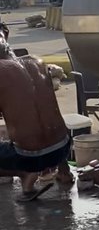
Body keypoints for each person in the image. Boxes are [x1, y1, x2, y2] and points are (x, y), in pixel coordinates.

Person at [0, 33, 73, 200]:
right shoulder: (37, 61)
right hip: (62, 149)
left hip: (30, 157)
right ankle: (65, 172)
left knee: (24, 142)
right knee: (50, 123)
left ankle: (25, 174)